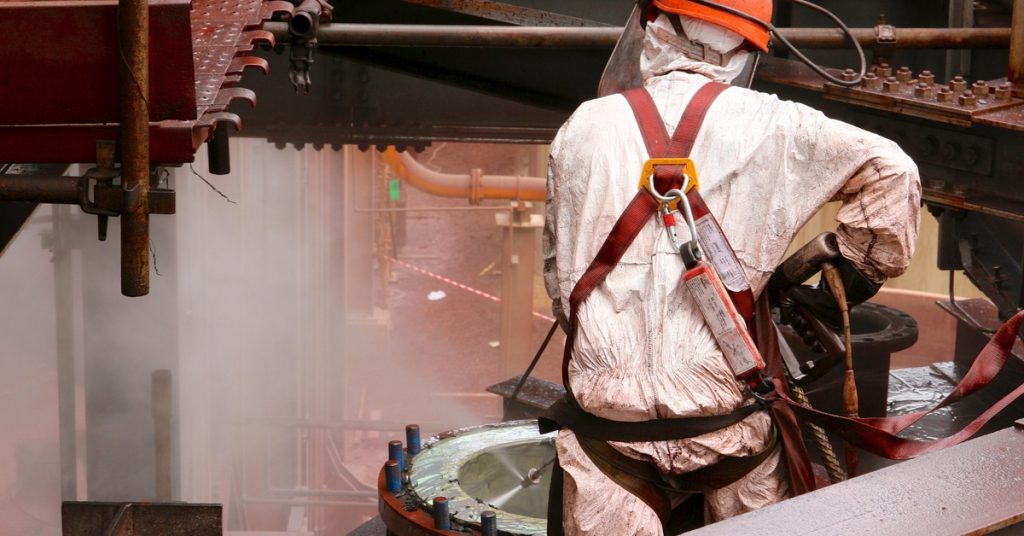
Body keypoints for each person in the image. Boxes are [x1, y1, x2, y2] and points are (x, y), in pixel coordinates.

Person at [542, 0, 921, 534]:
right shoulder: (779, 125)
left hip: (610, 438)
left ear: (652, 26)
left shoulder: (583, 125)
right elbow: (894, 171)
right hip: (731, 432)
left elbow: (559, 282)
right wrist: (853, 270)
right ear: (746, 47)